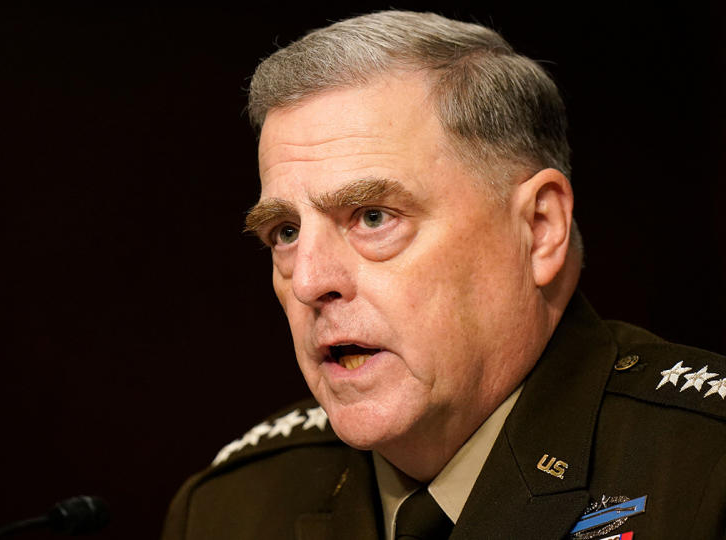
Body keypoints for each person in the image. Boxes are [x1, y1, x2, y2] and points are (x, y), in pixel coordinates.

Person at [162, 10, 726, 539]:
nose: (309, 281)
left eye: (373, 218)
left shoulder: (706, 472)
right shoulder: (227, 510)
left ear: (540, 227)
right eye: (285, 231)